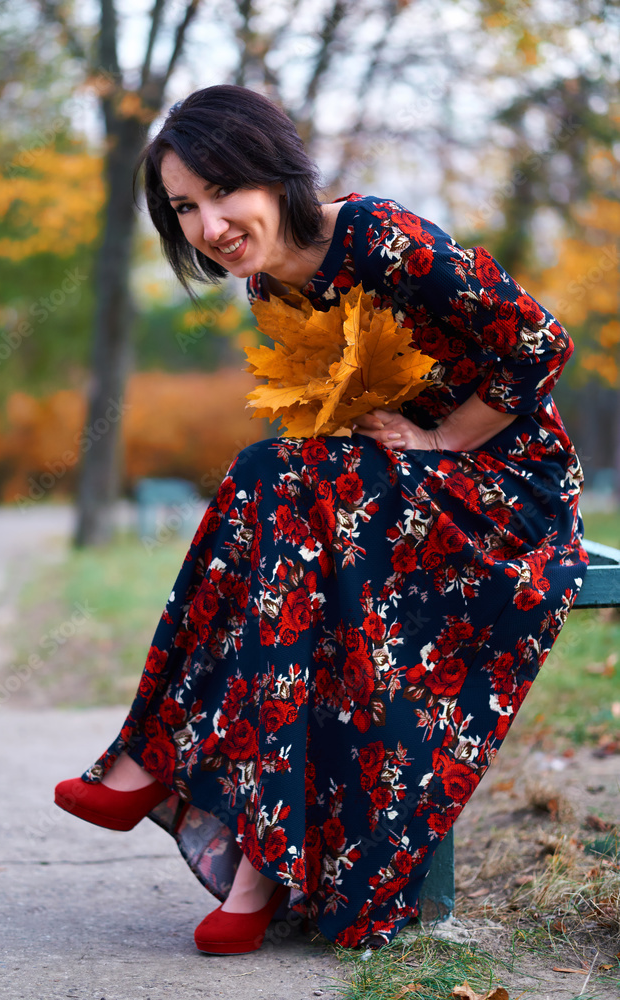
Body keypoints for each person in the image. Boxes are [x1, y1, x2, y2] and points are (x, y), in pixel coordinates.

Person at [55, 84, 588, 954]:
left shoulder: (380, 236)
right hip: (391, 490)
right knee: (284, 551)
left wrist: (442, 438)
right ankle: (255, 870)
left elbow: (539, 343)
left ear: (274, 173)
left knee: (265, 475)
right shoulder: (267, 283)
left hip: (503, 490)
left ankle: (152, 758)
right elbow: (330, 415)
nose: (209, 224)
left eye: (222, 191)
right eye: (183, 207)